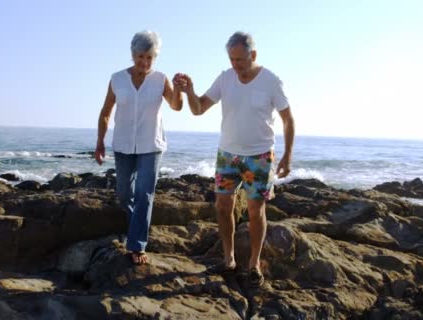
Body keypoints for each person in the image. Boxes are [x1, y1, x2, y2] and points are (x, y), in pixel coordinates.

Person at [173, 31, 295, 286]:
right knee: (222, 207)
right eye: (231, 59)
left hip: (260, 156)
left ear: (253, 55)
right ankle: (228, 260)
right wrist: (190, 91)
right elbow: (198, 109)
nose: (235, 65)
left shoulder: (271, 81)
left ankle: (253, 265)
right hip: (228, 155)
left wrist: (287, 156)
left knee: (255, 210)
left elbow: (288, 119)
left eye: (240, 59)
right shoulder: (225, 78)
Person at [95, 31, 182, 265]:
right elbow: (105, 113)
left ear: (155, 57)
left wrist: (179, 89)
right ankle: (137, 228)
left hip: (150, 145)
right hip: (123, 145)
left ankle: (136, 245)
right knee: (125, 194)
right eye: (141, 56)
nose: (144, 62)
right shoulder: (117, 79)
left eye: (150, 58)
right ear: (133, 54)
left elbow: (176, 106)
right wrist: (100, 141)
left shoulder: (161, 79)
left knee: (145, 194)